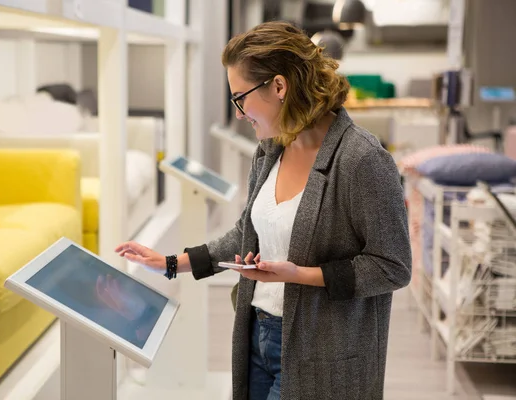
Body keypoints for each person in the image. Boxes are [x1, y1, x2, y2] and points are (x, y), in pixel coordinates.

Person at [115, 21, 411, 400]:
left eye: (240, 97)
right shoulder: (271, 149)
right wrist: (171, 262)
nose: (238, 113)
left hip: (322, 353)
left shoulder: (361, 160)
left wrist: (300, 274)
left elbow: (393, 265)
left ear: (279, 86)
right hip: (257, 336)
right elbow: (245, 234)